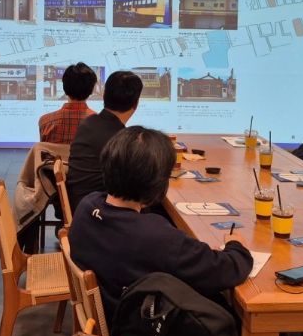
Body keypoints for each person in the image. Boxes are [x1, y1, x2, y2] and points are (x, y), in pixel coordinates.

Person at [68, 125, 253, 315]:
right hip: (140, 325)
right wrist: (236, 245)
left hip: (110, 311)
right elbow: (226, 270)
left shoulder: (87, 205)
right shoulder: (156, 237)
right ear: (157, 183)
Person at [67, 71, 142, 210]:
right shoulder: (123, 140)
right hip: (99, 212)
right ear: (136, 104)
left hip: (80, 206)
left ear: (104, 96)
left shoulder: (87, 123)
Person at [38, 62, 97, 144]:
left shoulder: (45, 122)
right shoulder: (100, 123)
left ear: (64, 88)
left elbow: (44, 150)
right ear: (91, 90)